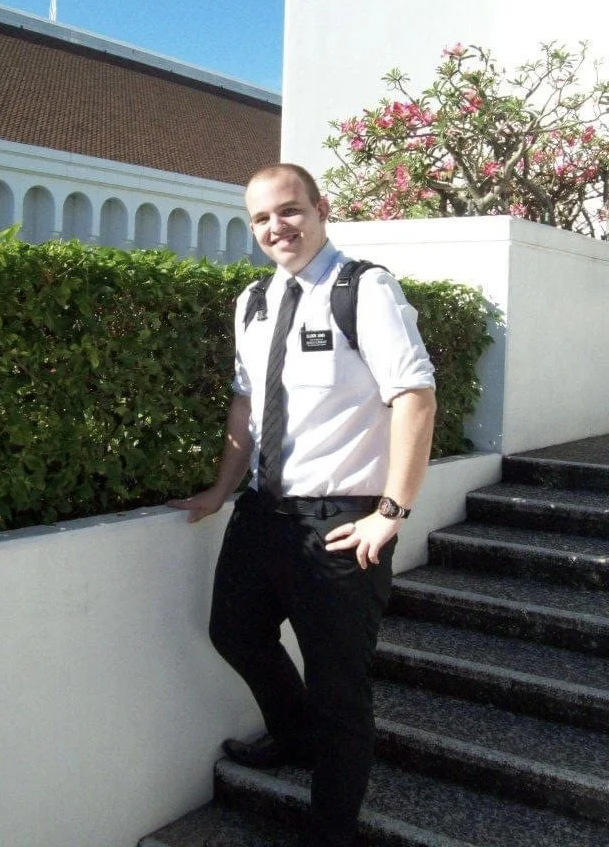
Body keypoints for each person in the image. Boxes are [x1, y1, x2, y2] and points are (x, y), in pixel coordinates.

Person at [169, 163, 436, 847]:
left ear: (321, 208)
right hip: (264, 513)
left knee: (339, 688)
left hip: (342, 521)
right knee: (234, 631)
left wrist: (390, 511)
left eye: (289, 211)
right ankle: (293, 737)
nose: (275, 228)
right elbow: (245, 401)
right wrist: (222, 488)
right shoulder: (253, 301)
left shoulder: (364, 289)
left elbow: (414, 397)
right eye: (260, 219)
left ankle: (331, 828)